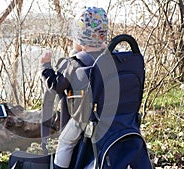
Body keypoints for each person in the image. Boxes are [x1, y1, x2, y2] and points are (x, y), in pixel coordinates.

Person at [40, 6, 109, 169]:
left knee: (65, 141)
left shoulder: (75, 63)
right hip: (110, 118)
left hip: (85, 119)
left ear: (79, 38)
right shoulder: (110, 58)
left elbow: (55, 87)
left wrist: (45, 67)